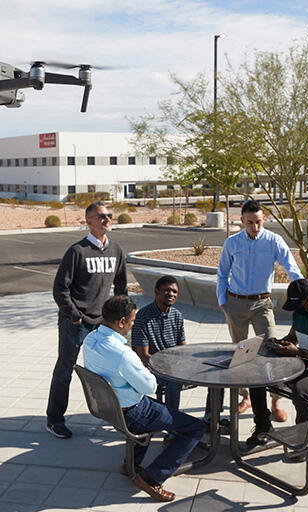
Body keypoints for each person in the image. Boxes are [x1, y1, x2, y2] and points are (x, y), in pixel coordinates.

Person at [83, 295, 204, 502]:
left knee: (160, 412)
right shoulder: (122, 354)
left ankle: (129, 464)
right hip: (133, 411)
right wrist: (144, 371)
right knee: (195, 428)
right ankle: (152, 478)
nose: (133, 325)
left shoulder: (89, 339)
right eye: (132, 321)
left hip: (109, 408)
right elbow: (150, 386)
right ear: (122, 322)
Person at [215, 199, 303, 422]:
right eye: (250, 222)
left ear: (264, 219)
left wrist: (303, 291)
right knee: (241, 352)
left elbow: (291, 267)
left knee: (273, 351)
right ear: (242, 220)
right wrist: (222, 302)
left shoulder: (274, 241)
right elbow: (222, 273)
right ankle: (246, 397)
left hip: (262, 304)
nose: (255, 226)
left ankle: (275, 400)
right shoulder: (232, 243)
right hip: (235, 304)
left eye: (259, 222)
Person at [46, 201, 127, 439]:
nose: (107, 219)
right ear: (89, 221)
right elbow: (60, 288)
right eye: (101, 216)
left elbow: (121, 286)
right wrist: (74, 315)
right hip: (76, 324)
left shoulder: (116, 250)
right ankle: (54, 419)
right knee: (65, 370)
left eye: (109, 215)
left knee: (111, 370)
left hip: (103, 324)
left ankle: (119, 416)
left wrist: (119, 314)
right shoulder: (77, 251)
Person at [245, 278, 308, 454]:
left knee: (301, 391)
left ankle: (305, 441)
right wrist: (279, 343)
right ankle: (263, 427)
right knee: (257, 377)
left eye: (299, 305)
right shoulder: (300, 312)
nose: (296, 310)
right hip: (303, 361)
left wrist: (298, 352)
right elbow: (294, 337)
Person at [131, 275, 185, 442]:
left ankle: (210, 419)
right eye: (167, 290)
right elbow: (144, 356)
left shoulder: (177, 315)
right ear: (156, 292)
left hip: (174, 366)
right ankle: (172, 427)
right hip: (152, 369)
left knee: (212, 375)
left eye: (174, 291)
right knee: (173, 382)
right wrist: (169, 366)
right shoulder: (143, 316)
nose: (171, 294)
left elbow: (183, 347)